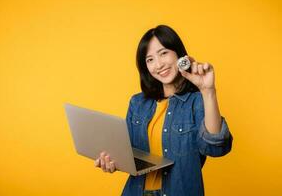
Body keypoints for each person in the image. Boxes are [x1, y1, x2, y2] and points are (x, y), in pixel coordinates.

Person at [95, 25, 233, 196]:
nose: (158, 64)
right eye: (150, 59)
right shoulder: (137, 103)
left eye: (163, 53)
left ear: (178, 53)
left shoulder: (197, 100)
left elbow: (216, 148)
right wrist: (111, 161)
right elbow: (129, 155)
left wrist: (208, 91)